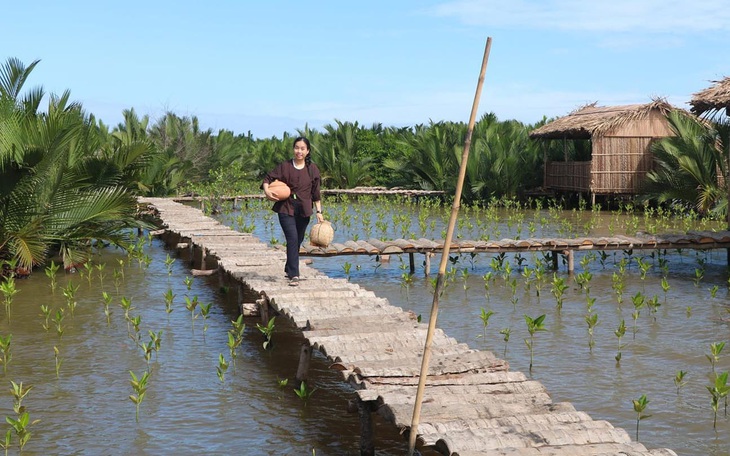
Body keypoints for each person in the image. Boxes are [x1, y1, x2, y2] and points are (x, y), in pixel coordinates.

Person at [262, 137, 324, 286]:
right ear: (293, 149)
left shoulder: (312, 169)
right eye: (297, 148)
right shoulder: (285, 166)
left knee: (298, 239)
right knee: (292, 238)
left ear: (307, 151)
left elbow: (316, 193)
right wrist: (267, 191)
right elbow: (267, 178)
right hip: (286, 207)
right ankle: (294, 275)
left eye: (303, 148)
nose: (299, 151)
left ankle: (288, 267)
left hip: (304, 208)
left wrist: (319, 212)